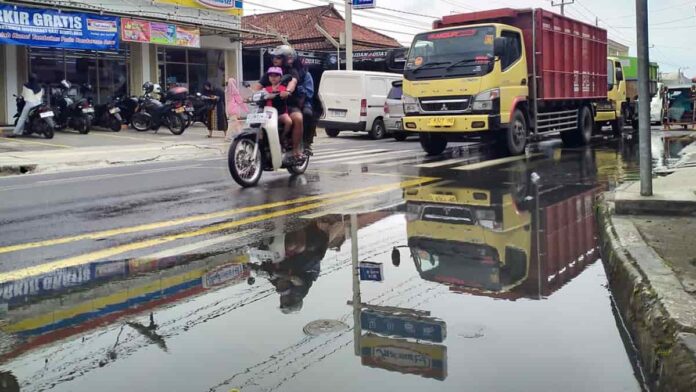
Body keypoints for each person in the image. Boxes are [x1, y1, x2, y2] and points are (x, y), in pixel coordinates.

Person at [254, 45, 304, 157]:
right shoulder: (271, 72)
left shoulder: (292, 71)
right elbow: (258, 85)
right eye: (274, 57)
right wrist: (252, 95)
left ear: (287, 58)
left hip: (288, 104)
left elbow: (293, 82)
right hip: (270, 105)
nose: (275, 60)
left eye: (279, 57)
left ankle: (296, 150)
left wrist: (287, 91)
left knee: (298, 118)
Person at [264, 67, 294, 149]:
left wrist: (286, 93)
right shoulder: (266, 89)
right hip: (267, 114)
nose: (273, 77)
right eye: (271, 75)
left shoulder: (283, 88)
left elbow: (286, 93)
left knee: (288, 121)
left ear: (280, 77)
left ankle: (283, 137)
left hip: (280, 113)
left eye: (276, 75)